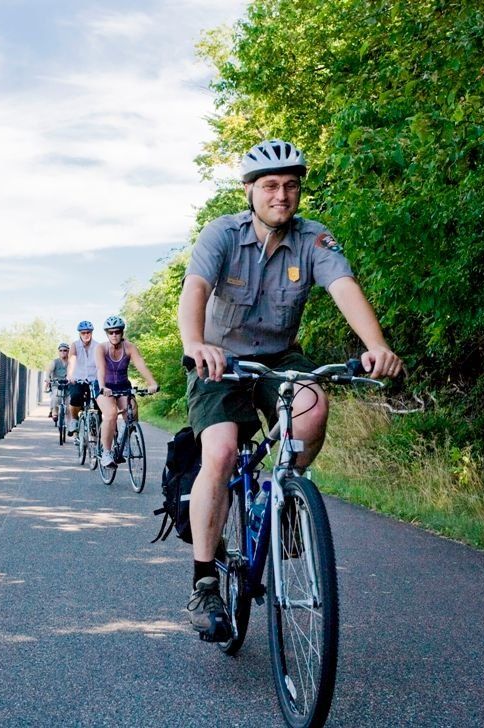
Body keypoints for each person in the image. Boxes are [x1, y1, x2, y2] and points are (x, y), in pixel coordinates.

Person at [177, 139, 403, 641]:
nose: (283, 195)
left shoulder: (314, 239)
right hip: (220, 358)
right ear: (250, 192)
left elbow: (344, 286)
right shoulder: (221, 234)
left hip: (279, 356)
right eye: (272, 186)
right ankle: (205, 582)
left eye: (292, 186)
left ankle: (282, 497)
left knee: (313, 408)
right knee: (221, 451)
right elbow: (193, 289)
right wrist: (195, 344)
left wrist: (377, 346)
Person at [94, 315, 159, 468]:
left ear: (122, 333)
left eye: (117, 332)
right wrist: (103, 386)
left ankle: (124, 438)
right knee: (110, 414)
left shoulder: (129, 347)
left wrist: (152, 383)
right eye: (111, 332)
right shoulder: (101, 348)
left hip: (123, 386)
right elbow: (100, 369)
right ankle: (106, 453)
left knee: (133, 412)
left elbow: (141, 365)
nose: (114, 335)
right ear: (107, 334)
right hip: (105, 386)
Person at [65, 320, 99, 436]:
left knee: (99, 403)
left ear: (92, 333)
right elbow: (72, 360)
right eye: (83, 333)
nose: (86, 335)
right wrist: (70, 375)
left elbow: (101, 364)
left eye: (88, 332)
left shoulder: (97, 346)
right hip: (77, 378)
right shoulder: (75, 345)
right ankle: (74, 420)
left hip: (94, 379)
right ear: (79, 334)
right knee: (75, 397)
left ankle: (98, 429)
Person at [45, 342, 70, 421]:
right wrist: (48, 378)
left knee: (70, 400)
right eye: (61, 350)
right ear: (58, 351)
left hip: (68, 384)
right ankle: (54, 411)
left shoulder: (71, 362)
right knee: (55, 396)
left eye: (65, 350)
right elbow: (49, 370)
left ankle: (69, 420)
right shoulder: (55, 362)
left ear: (68, 351)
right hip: (57, 384)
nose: (63, 352)